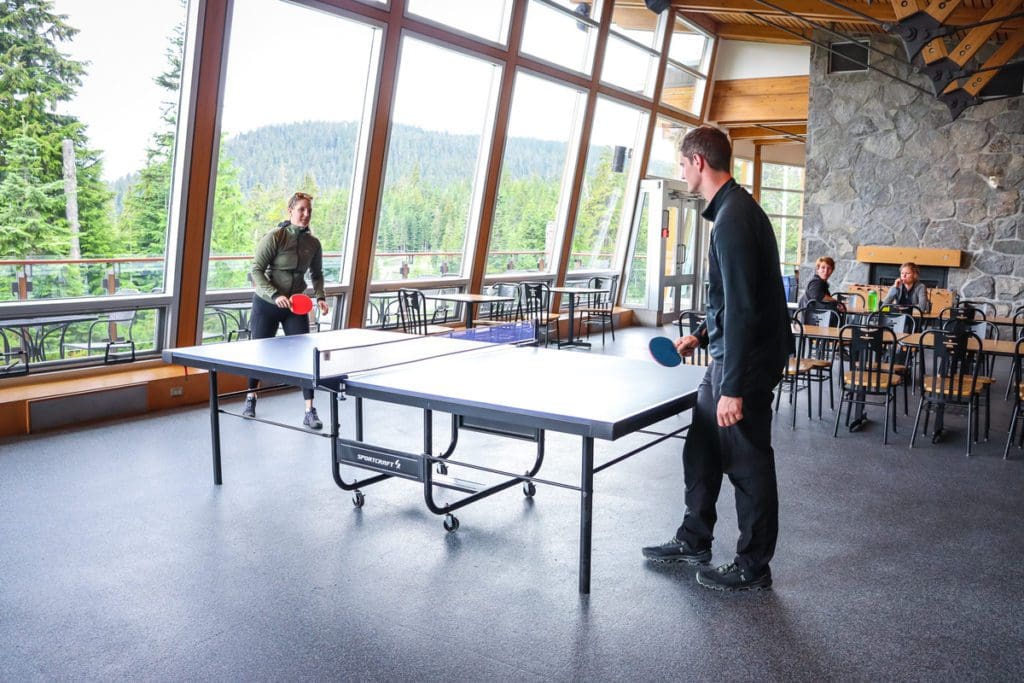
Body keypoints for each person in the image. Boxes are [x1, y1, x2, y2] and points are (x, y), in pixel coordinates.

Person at [642, 126, 793, 592]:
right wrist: (702, 336)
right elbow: (736, 300)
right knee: (702, 449)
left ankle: (753, 565)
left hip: (742, 369)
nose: (681, 171)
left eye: (682, 163)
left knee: (747, 463)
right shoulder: (732, 211)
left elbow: (748, 308)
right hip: (728, 358)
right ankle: (695, 537)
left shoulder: (733, 220)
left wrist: (732, 387)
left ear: (699, 162)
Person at [242, 191, 330, 429]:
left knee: (304, 356)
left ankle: (309, 410)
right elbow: (256, 270)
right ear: (290, 210)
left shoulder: (313, 243)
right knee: (258, 353)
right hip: (267, 304)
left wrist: (320, 297)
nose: (306, 214)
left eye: (309, 210)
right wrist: (275, 294)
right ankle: (251, 398)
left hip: (295, 305)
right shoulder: (275, 237)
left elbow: (317, 274)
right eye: (301, 209)